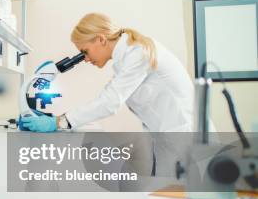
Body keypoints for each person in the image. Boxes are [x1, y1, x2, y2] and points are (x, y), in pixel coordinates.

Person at [20, 13, 195, 134]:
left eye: (85, 52)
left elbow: (110, 102)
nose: (86, 59)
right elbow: (108, 95)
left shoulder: (138, 53)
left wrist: (59, 121)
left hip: (184, 138)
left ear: (101, 39)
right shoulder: (127, 58)